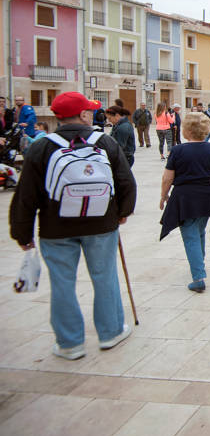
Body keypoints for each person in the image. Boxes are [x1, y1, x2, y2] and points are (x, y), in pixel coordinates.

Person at [9, 92, 136, 360]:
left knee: (62, 282)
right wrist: (122, 212)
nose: (91, 114)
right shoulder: (104, 142)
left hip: (55, 228)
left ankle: (70, 343)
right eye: (88, 111)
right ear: (82, 115)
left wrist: (22, 232)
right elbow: (126, 181)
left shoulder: (41, 147)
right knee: (104, 277)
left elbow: (26, 194)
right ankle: (111, 331)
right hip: (101, 224)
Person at [160, 112, 210, 292]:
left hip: (185, 197)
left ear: (186, 130)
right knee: (199, 231)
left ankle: (198, 277)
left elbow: (167, 178)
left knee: (190, 236)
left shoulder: (178, 150)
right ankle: (199, 263)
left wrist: (163, 195)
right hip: (208, 195)